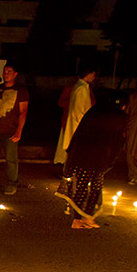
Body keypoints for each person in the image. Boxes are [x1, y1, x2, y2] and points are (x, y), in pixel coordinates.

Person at [54, 95, 128, 229]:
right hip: (97, 157)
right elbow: (118, 141)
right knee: (94, 187)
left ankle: (86, 217)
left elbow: (78, 132)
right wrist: (111, 160)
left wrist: (71, 152)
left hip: (82, 155)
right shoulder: (119, 117)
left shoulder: (94, 112)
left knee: (85, 187)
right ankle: (79, 219)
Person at [0, 64, 29, 195]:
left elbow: (23, 111)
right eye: (4, 72)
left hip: (11, 130)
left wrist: (19, 130)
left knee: (11, 159)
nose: (6, 74)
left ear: (15, 74)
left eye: (9, 72)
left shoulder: (21, 91)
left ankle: (11, 183)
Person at [54, 67, 96, 165]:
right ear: (89, 74)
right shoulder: (81, 88)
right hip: (77, 124)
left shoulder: (83, 87)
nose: (94, 78)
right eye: (93, 75)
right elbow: (79, 110)